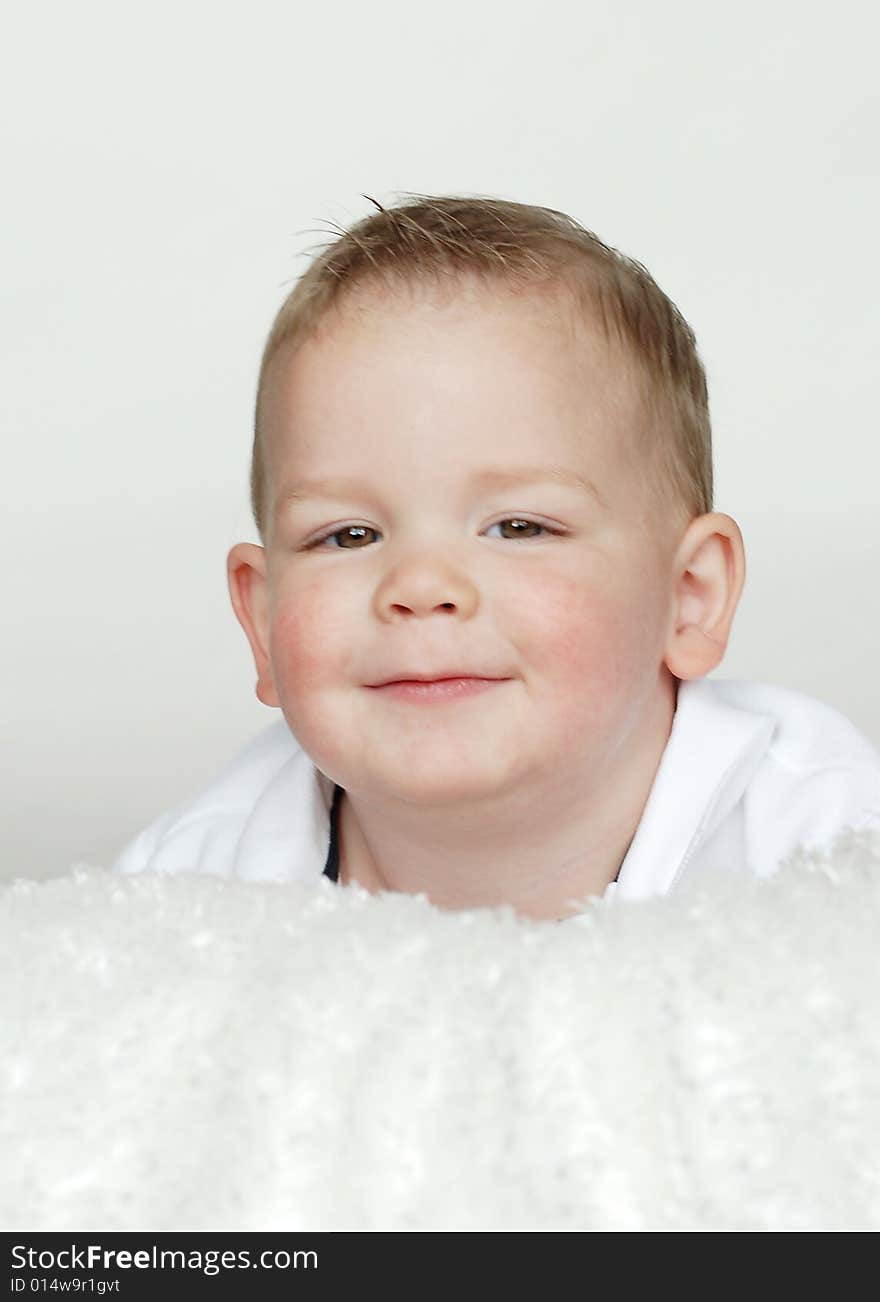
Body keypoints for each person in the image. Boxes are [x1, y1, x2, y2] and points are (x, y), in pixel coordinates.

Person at [111, 193, 880, 920]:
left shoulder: (826, 845)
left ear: (689, 595)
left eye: (518, 527)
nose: (419, 586)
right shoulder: (195, 890)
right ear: (263, 617)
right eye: (348, 535)